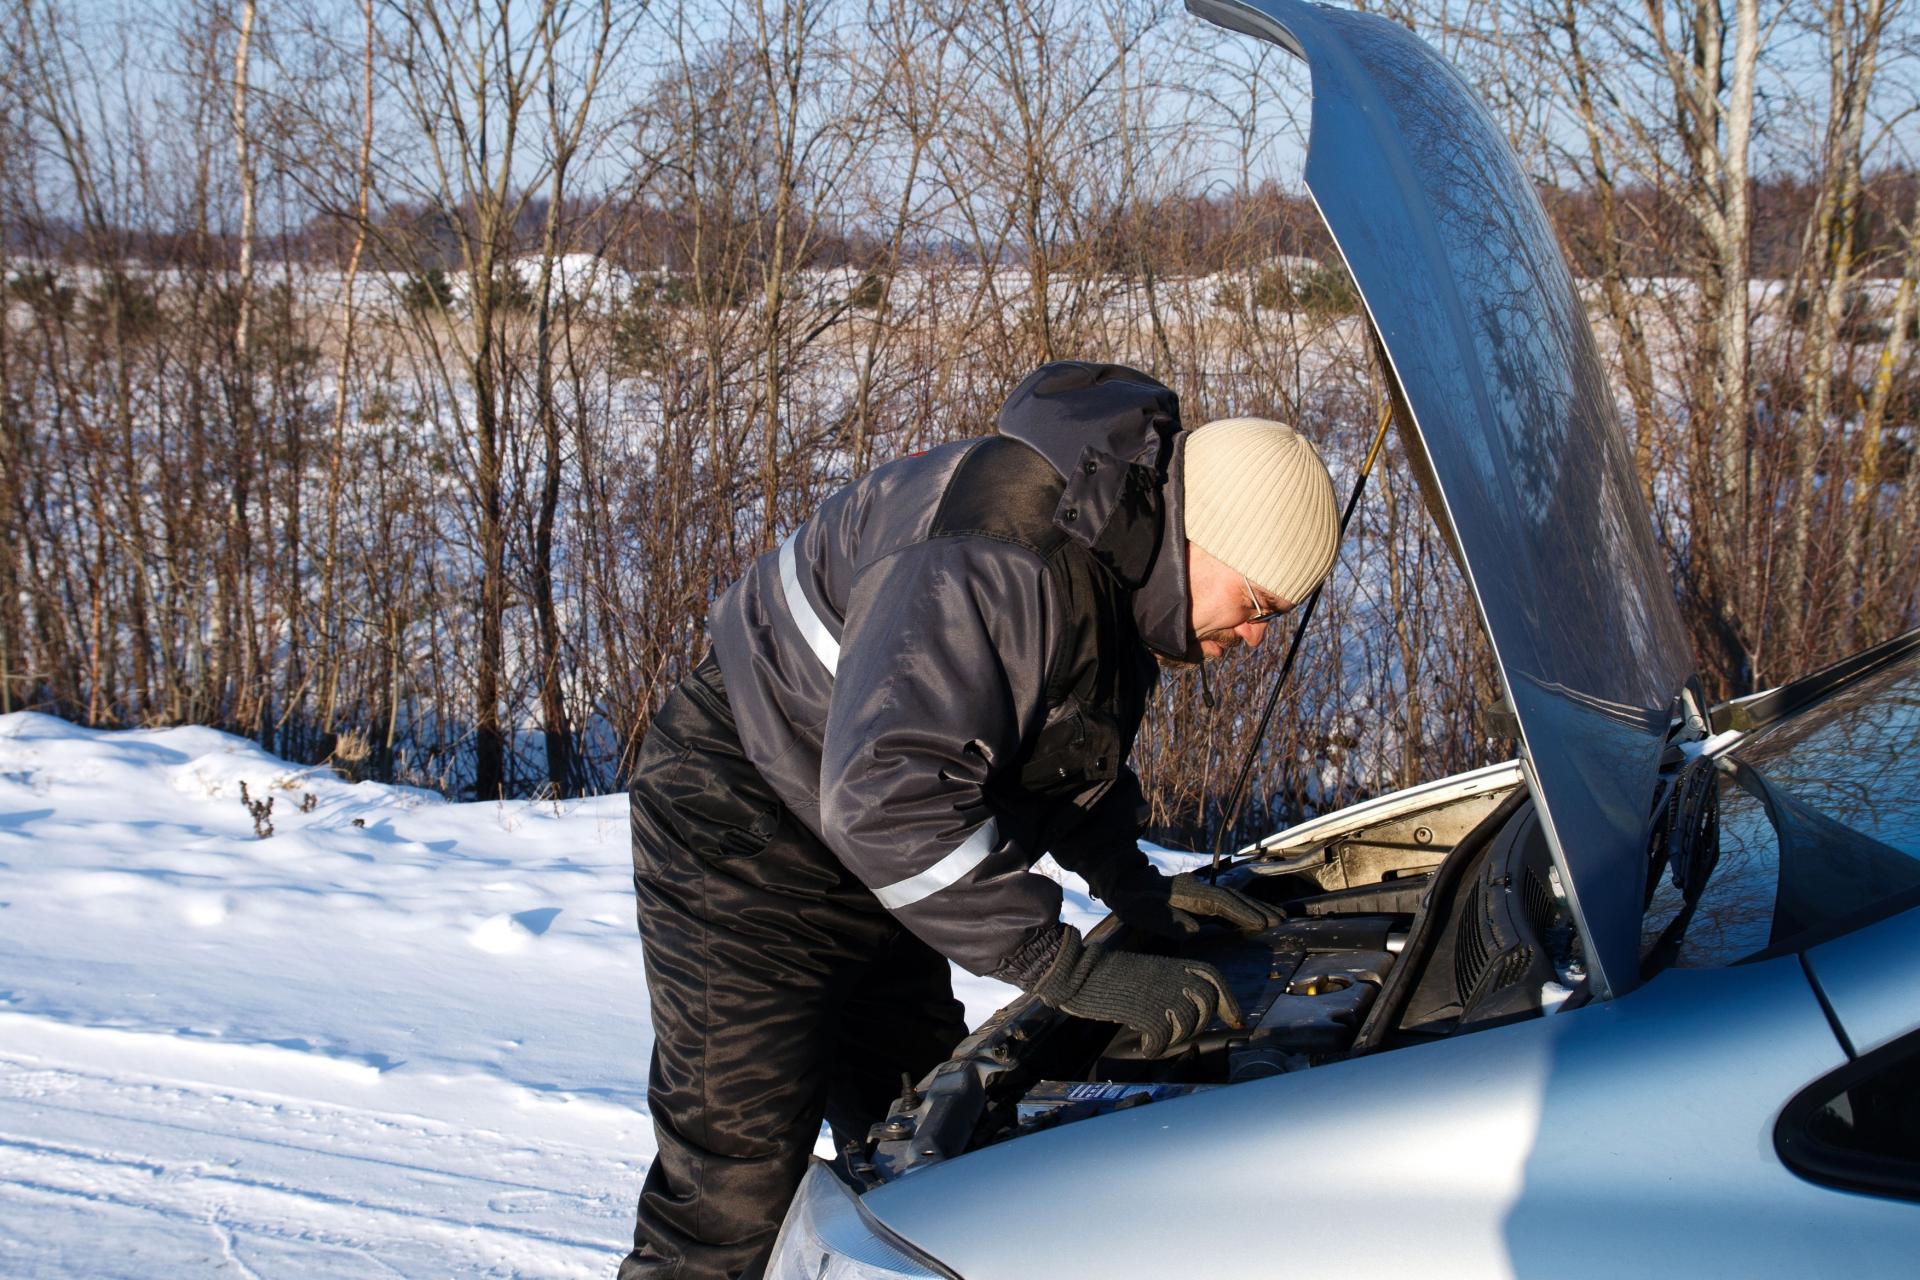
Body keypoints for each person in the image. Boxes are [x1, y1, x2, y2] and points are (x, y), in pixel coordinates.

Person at [621, 361, 1341, 1279]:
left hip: (871, 840)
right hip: (747, 815)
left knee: (924, 1142)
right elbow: (887, 797)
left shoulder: (1117, 568)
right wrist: (1066, 968)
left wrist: (1132, 885)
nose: (1254, 639)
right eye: (1258, 606)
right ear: (1207, 538)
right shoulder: (1007, 559)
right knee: (737, 1174)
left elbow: (1046, 751)